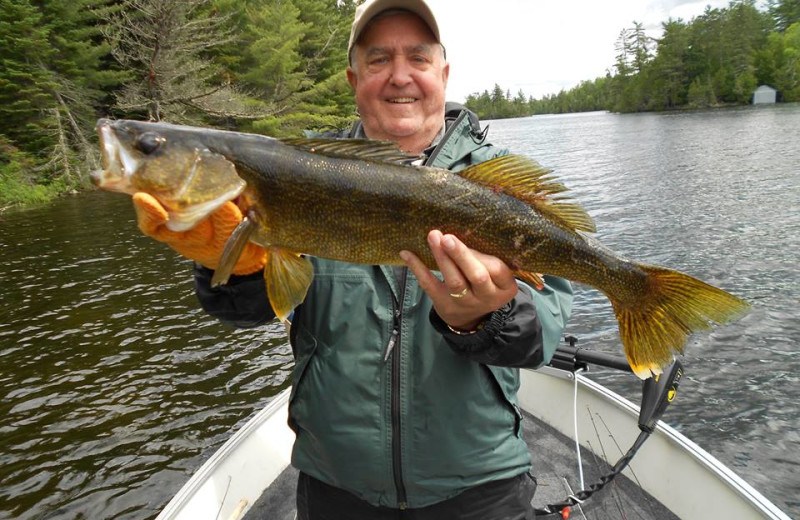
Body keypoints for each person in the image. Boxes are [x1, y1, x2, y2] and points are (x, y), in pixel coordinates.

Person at [132, 1, 573, 518]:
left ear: (444, 73)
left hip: (480, 485)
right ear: (353, 76)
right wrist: (233, 267)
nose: (400, 76)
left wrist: (488, 317)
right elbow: (246, 313)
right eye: (379, 58)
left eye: (418, 57)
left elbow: (543, 333)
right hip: (336, 485)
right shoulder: (298, 171)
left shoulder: (501, 183)